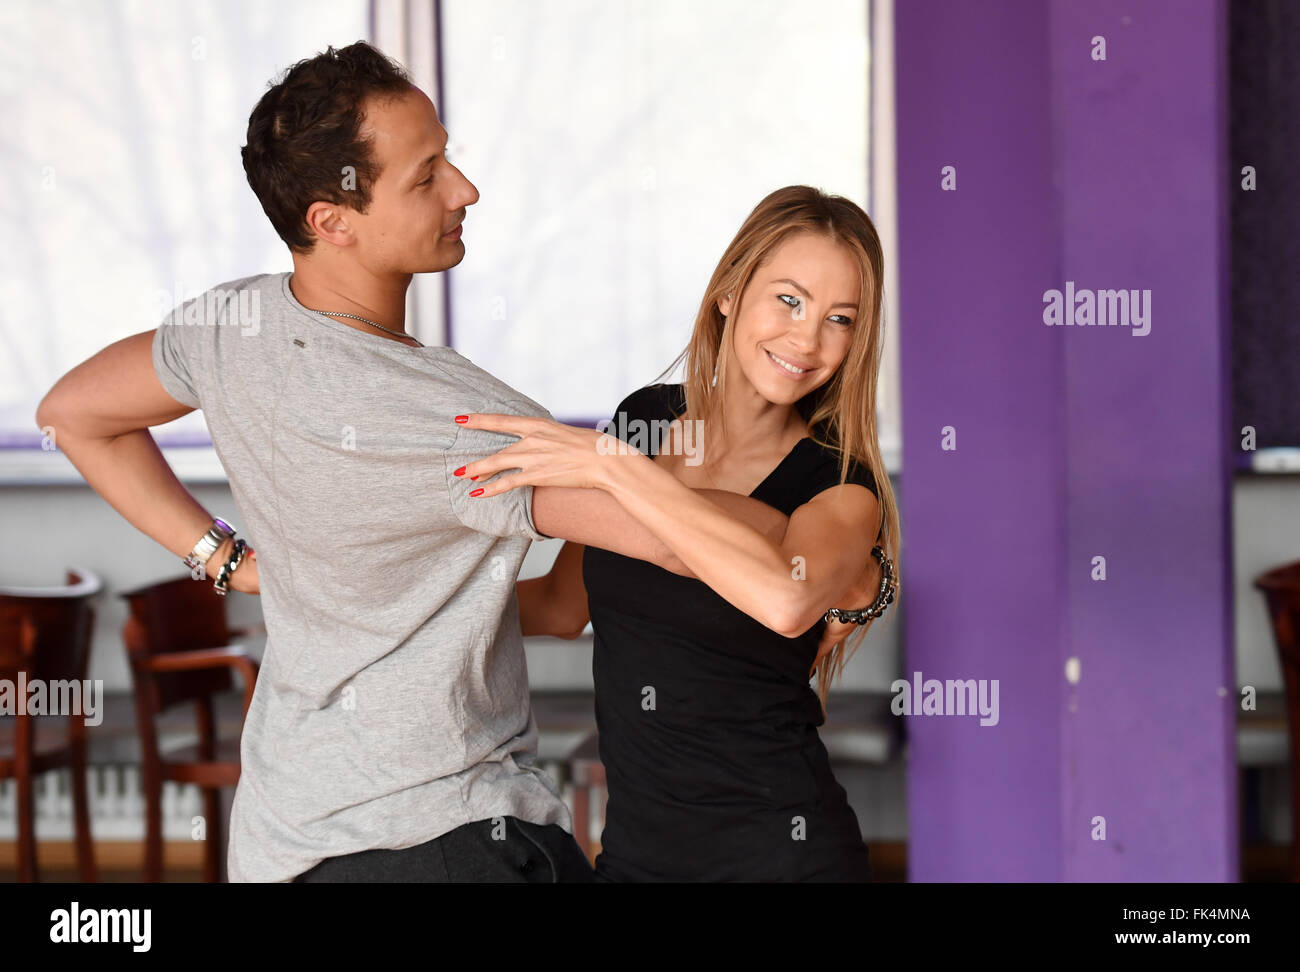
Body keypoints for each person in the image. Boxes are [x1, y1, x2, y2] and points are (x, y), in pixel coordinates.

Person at [456, 185, 901, 881]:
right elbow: (562, 606)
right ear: (728, 291)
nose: (807, 339)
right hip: (639, 857)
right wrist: (405, 611)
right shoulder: (647, 418)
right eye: (789, 299)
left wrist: (612, 468)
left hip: (784, 856)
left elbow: (786, 600)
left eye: (839, 318)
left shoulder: (840, 485)